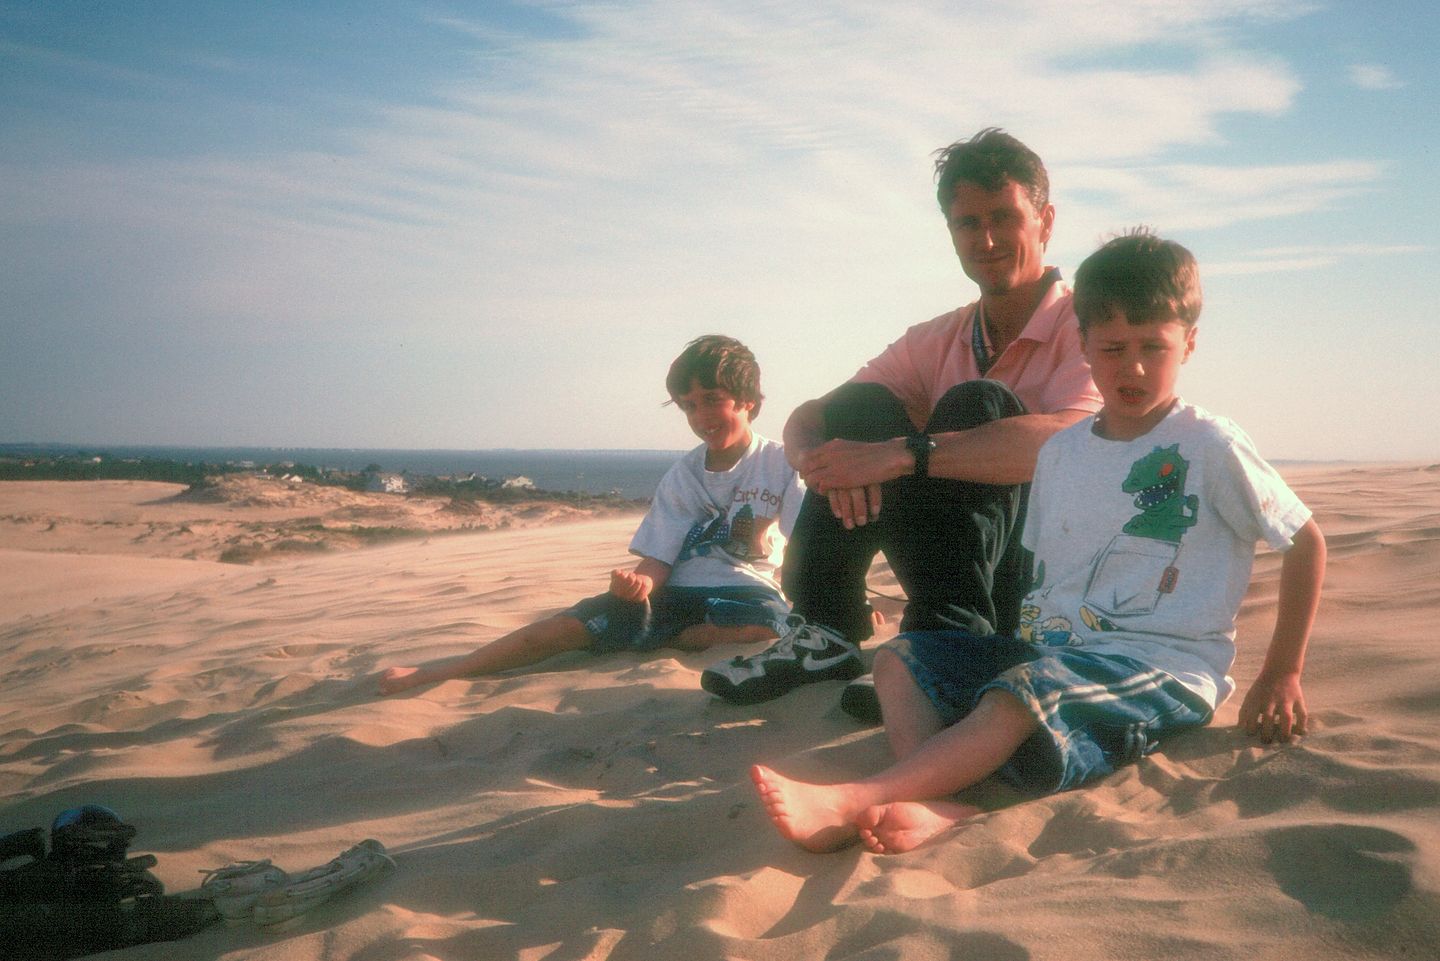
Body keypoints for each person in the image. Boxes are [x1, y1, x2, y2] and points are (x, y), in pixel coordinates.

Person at [751, 229, 1327, 854]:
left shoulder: (1210, 445)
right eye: (1111, 348)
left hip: (1160, 668)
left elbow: (1304, 543)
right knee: (901, 658)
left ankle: (865, 797)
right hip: (1054, 654)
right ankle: (937, 797)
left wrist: (1283, 672)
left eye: (1152, 347)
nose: (1131, 367)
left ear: (1188, 344)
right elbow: (1043, 574)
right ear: (1083, 345)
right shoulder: (1062, 452)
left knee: (1022, 694)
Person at [701, 128, 1102, 712]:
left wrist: (905, 453)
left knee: (978, 405)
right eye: (968, 223)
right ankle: (825, 630)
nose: (986, 239)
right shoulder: (938, 336)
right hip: (956, 561)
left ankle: (947, 643)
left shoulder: (1089, 325)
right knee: (859, 412)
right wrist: (827, 460)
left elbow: (1074, 442)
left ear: (1045, 219)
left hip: (1048, 585)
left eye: (1003, 217)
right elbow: (812, 415)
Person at [378, 335, 804, 695]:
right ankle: (440, 673)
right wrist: (638, 585)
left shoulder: (783, 463)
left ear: (747, 400)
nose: (701, 416)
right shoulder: (683, 475)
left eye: (713, 400)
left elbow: (808, 544)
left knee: (775, 627)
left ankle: (676, 639)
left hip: (747, 594)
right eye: (689, 405)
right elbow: (659, 557)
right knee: (559, 630)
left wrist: (840, 600)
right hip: (671, 594)